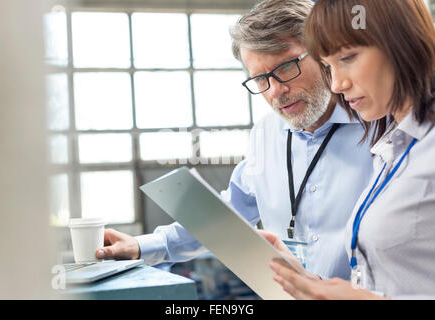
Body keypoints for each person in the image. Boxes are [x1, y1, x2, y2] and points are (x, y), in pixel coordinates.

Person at [95, 0, 374, 281]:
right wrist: (141, 246)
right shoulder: (266, 133)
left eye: (287, 67)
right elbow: (228, 217)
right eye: (260, 79)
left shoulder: (380, 127)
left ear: (323, 53)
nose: (276, 91)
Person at [266, 0, 435, 299]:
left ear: (400, 40)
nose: (337, 85)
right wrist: (307, 280)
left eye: (348, 57)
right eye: (329, 66)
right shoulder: (391, 149)